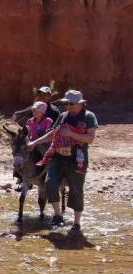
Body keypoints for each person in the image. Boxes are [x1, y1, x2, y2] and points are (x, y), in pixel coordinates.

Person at [27, 90, 97, 231]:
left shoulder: (89, 116)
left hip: (76, 158)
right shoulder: (63, 116)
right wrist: (35, 142)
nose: (68, 106)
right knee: (50, 183)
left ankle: (76, 222)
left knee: (76, 189)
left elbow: (90, 138)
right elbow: (52, 135)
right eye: (66, 103)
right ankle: (57, 215)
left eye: (71, 104)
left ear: (80, 104)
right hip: (58, 156)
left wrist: (71, 133)